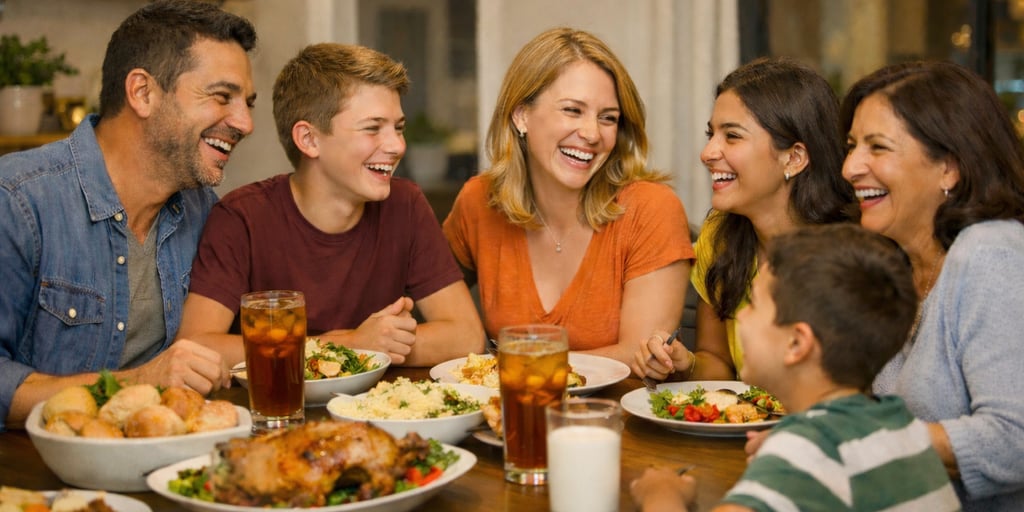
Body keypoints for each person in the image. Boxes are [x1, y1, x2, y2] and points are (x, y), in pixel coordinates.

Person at [0, 0, 256, 430]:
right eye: (222, 97)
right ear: (142, 92)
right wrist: (135, 383)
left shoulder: (205, 211)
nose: (245, 122)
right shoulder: (18, 199)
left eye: (246, 102)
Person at [176, 43, 484, 367]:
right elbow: (196, 345)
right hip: (276, 412)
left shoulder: (405, 205)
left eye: (398, 128)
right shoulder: (242, 218)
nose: (396, 145)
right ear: (309, 140)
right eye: (372, 128)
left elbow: (465, 335)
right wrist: (350, 346)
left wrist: (375, 347)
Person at [630, 224, 960, 512]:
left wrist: (661, 494)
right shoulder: (902, 426)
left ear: (796, 344)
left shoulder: (807, 450)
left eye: (754, 304)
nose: (739, 315)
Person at [442, 28, 693, 364]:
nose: (591, 134)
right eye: (573, 110)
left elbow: (638, 357)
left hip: (614, 414)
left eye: (608, 118)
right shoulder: (479, 201)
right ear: (521, 115)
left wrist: (509, 366)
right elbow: (427, 303)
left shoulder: (651, 208)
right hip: (508, 412)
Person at [841, 60, 1024, 510]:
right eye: (851, 145)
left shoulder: (991, 252)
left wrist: (862, 442)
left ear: (949, 168)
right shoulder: (898, 262)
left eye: (877, 147)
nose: (849, 167)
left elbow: (1013, 439)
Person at [632, 57, 856, 382]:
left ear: (793, 157)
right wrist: (685, 364)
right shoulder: (720, 234)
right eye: (712, 134)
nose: (708, 152)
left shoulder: (854, 251)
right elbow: (716, 359)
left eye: (732, 136)